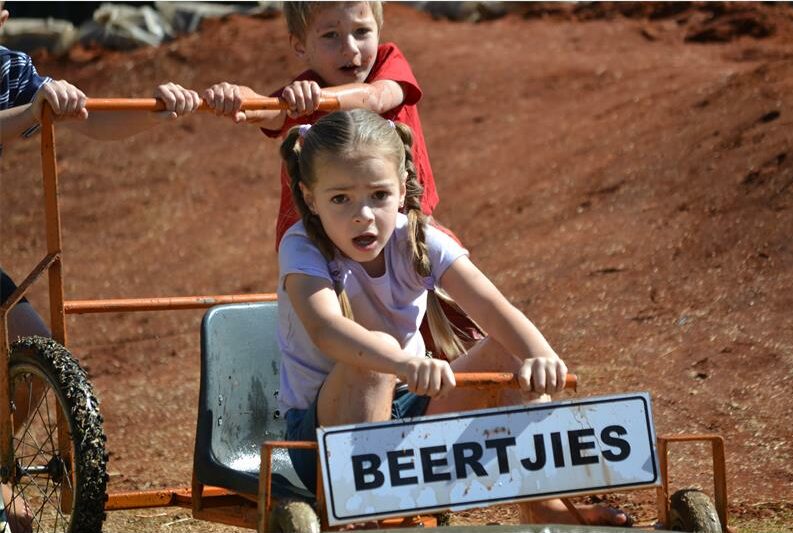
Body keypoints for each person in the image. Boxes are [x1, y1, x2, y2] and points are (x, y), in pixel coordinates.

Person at [275, 109, 632, 526]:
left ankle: (545, 505)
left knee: (510, 352)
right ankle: (364, 513)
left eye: (378, 195)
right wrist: (401, 362)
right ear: (310, 197)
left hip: (409, 410)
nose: (363, 215)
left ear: (403, 186)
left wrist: (540, 355)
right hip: (321, 440)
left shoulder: (420, 237)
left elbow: (493, 308)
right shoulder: (301, 246)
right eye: (340, 199)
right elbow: (326, 330)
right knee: (374, 358)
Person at [1, 4, 201, 530]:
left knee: (35, 354)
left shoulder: (6, 69)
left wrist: (153, 107)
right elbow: (27, 115)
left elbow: (88, 116)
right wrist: (31, 112)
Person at [201, 0, 482, 359]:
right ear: (301, 46)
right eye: (331, 35)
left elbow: (374, 97)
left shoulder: (388, 65)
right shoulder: (303, 91)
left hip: (407, 234)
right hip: (329, 246)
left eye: (361, 31)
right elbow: (266, 113)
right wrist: (233, 96)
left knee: (460, 334)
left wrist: (314, 100)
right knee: (357, 347)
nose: (350, 49)